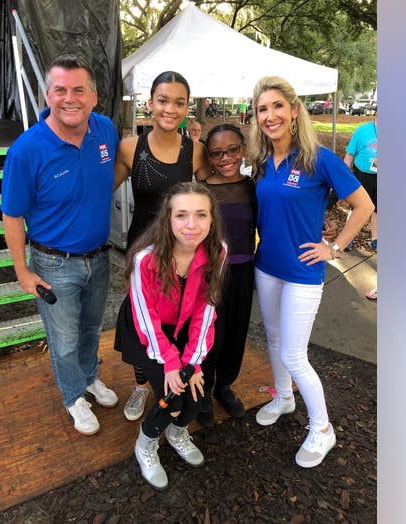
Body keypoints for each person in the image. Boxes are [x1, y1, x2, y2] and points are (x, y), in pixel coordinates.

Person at [248, 76, 374, 468]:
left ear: (294, 110)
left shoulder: (318, 158)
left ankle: (322, 429)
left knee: (293, 353)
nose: (270, 116)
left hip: (303, 272)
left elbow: (364, 206)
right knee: (273, 338)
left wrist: (334, 247)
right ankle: (284, 397)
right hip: (267, 267)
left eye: (277, 106)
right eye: (262, 109)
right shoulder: (261, 160)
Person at [1, 54, 120, 436]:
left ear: (94, 96)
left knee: (91, 329)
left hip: (98, 258)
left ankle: (89, 377)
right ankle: (73, 396)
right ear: (48, 95)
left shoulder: (105, 130)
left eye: (79, 90)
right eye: (61, 90)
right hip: (54, 264)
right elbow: (12, 215)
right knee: (64, 339)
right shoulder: (26, 150)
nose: (70, 98)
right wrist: (22, 270)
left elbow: (107, 176)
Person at [113, 182, 227, 489]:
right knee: (173, 400)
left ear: (212, 219)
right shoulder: (145, 259)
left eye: (201, 215)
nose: (192, 225)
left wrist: (193, 361)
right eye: (181, 215)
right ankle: (145, 444)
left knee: (196, 396)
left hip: (185, 328)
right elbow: (145, 317)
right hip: (148, 330)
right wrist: (172, 363)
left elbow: (206, 309)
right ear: (168, 218)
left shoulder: (218, 251)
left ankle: (177, 434)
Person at [113, 71, 211, 422]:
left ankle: (172, 376)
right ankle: (141, 385)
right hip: (141, 248)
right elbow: (99, 191)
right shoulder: (130, 147)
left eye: (179, 103)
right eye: (163, 100)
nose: (170, 109)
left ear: (187, 107)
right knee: (140, 318)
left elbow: (214, 195)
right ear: (150, 102)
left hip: (181, 250)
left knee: (175, 317)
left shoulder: (195, 151)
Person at [196, 124, 257, 427]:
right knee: (210, 335)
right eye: (217, 153)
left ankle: (224, 386)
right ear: (208, 156)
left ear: (243, 150)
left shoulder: (252, 187)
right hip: (210, 272)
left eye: (232, 150)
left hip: (244, 271)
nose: (225, 158)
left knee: (236, 331)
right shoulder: (201, 190)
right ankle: (204, 391)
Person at [342, 113, 378, 252]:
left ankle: (375, 240)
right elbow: (350, 154)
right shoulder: (362, 130)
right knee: (356, 206)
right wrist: (344, 176)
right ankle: (348, 239)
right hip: (362, 175)